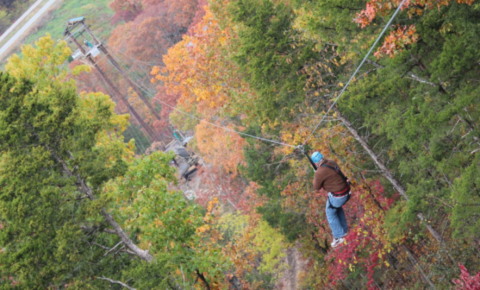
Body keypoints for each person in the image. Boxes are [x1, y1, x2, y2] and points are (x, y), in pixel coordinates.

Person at [311, 151, 351, 248]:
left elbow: (316, 187)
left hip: (339, 196)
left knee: (330, 212)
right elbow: (331, 175)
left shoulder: (319, 172)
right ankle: (343, 230)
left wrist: (316, 174)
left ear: (315, 163)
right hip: (347, 192)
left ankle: (338, 236)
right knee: (335, 207)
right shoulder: (331, 162)